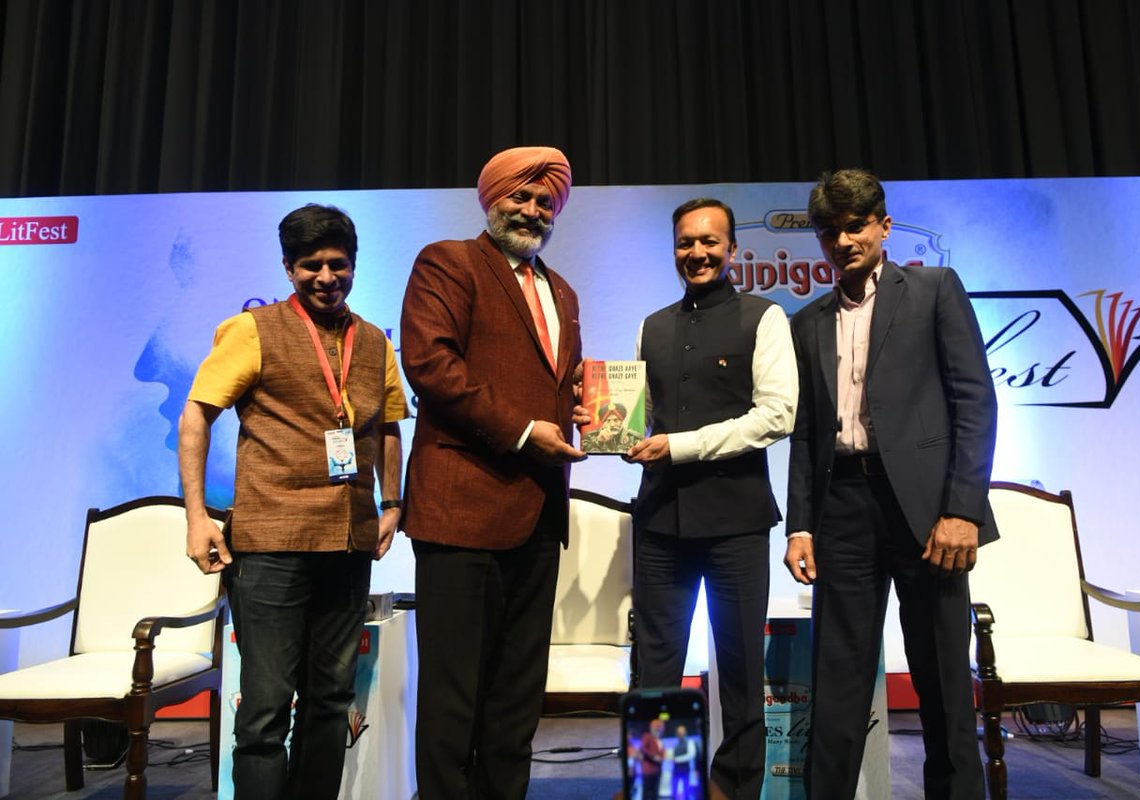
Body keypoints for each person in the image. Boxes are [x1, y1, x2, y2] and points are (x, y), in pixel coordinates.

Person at [178, 204, 407, 799]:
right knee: (265, 709)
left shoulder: (377, 342)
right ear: (287, 268)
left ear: (354, 266)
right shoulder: (251, 331)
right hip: (271, 546)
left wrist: (394, 503)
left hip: (349, 543)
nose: (326, 277)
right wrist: (197, 516)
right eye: (311, 266)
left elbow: (387, 427)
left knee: (331, 701)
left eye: (338, 265)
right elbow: (197, 415)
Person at [784, 169, 998, 799]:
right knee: (838, 680)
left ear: (883, 224)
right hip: (843, 508)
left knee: (942, 683)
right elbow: (803, 433)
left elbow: (974, 402)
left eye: (855, 226)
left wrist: (963, 510)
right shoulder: (808, 321)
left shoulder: (933, 290)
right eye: (830, 232)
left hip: (929, 512)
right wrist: (800, 523)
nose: (844, 241)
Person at [399, 146, 584, 799]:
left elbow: (553, 387)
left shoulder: (562, 291)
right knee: (453, 703)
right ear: (491, 199)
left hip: (538, 515)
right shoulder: (448, 262)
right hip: (463, 514)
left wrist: (584, 407)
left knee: (514, 703)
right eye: (521, 196)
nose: (533, 210)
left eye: (545, 201)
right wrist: (530, 431)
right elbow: (432, 367)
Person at [623, 197, 797, 799]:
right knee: (656, 669)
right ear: (674, 249)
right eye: (684, 243)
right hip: (658, 521)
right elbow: (640, 421)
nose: (696, 253)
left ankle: (734, 787)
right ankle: (663, 785)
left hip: (736, 521)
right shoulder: (652, 324)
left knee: (744, 670)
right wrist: (606, 424)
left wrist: (680, 446)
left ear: (732, 250)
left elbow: (777, 416)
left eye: (709, 242)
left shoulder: (765, 317)